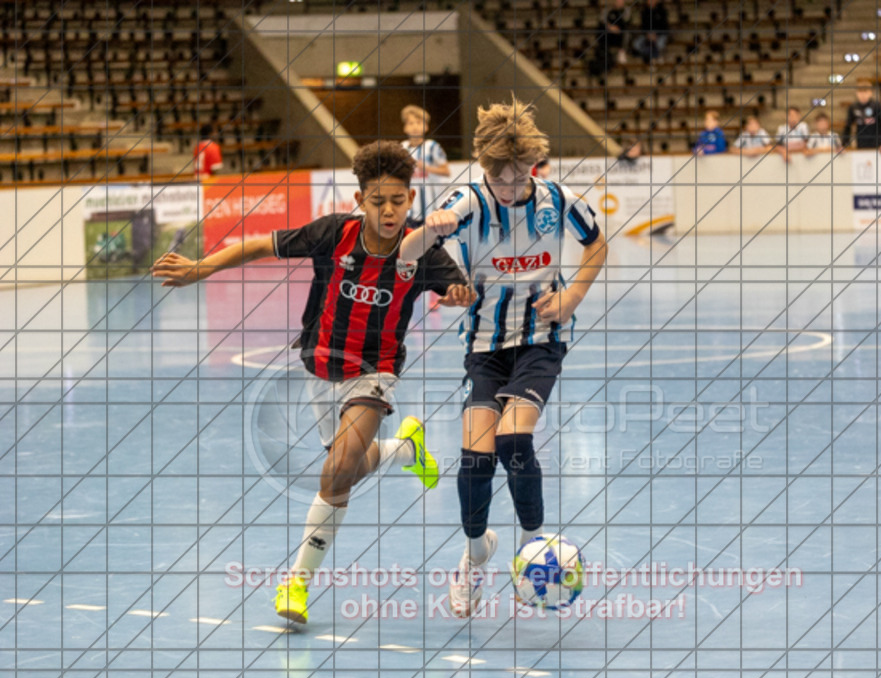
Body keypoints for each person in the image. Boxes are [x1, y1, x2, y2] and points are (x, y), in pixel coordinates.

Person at [152, 141, 476, 623]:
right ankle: (405, 450)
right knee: (345, 466)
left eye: (398, 200)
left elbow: (463, 290)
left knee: (336, 469)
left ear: (411, 199)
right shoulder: (334, 233)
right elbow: (262, 244)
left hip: (375, 370)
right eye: (377, 200)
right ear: (361, 199)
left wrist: (457, 296)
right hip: (319, 367)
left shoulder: (423, 250)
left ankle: (295, 584)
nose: (388, 210)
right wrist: (200, 269)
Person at [399, 98, 607, 618]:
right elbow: (407, 254)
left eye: (521, 178)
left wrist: (573, 297)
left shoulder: (557, 198)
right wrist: (433, 240)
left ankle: (535, 550)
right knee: (475, 458)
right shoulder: (466, 201)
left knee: (514, 437)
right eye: (502, 180)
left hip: (540, 340)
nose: (512, 189)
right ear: (485, 170)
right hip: (485, 349)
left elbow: (597, 244)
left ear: (534, 165)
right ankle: (475, 555)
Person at [401, 104, 451, 228]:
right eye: (411, 123)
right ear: (405, 128)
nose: (415, 127)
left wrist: (426, 167)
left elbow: (446, 171)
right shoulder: (402, 148)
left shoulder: (432, 146)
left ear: (426, 127)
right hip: (410, 212)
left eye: (419, 123)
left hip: (431, 210)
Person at [841, 79, 881, 152]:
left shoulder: (877, 106)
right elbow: (847, 127)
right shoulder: (853, 107)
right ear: (856, 93)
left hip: (878, 146)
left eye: (865, 92)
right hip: (861, 145)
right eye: (860, 92)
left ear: (870, 93)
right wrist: (844, 144)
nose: (863, 95)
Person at [632, 0, 669, 65]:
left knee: (659, 44)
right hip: (647, 34)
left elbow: (665, 26)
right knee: (636, 44)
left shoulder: (662, 11)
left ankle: (657, 57)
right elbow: (643, 26)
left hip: (660, 34)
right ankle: (648, 57)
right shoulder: (644, 12)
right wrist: (647, 34)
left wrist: (656, 34)